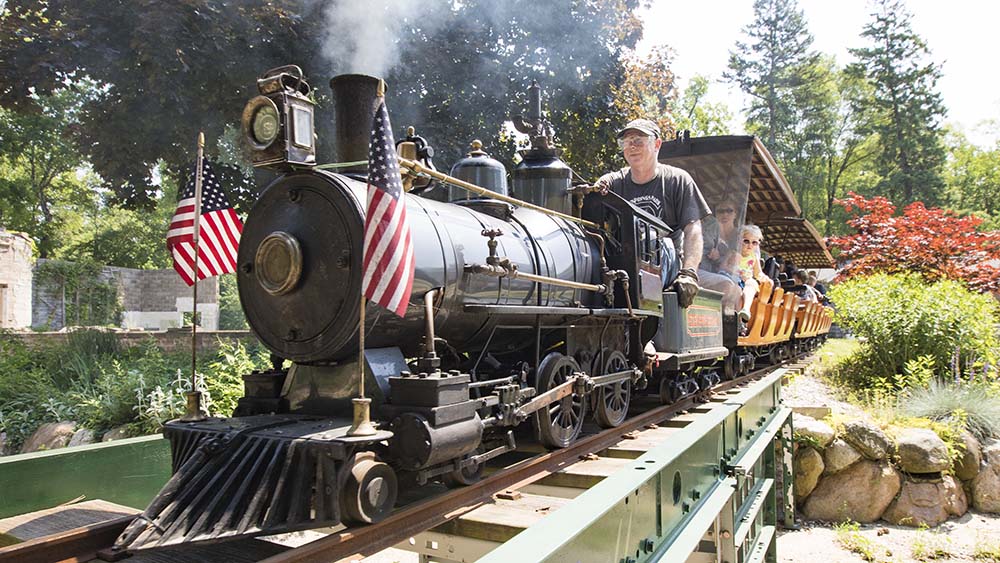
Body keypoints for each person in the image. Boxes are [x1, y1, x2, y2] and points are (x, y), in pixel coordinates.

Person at [596, 119, 710, 308]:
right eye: (626, 142)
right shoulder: (616, 182)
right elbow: (601, 188)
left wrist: (689, 273)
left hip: (666, 260)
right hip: (624, 260)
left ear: (657, 144)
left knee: (651, 239)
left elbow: (693, 230)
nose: (632, 147)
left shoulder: (677, 180)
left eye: (638, 140)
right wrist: (598, 186)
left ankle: (640, 310)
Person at [736, 224, 769, 324]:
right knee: (737, 291)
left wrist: (765, 278)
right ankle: (736, 321)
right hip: (734, 280)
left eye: (754, 243)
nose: (750, 245)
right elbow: (724, 267)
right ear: (739, 240)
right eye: (746, 241)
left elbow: (758, 273)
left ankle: (746, 309)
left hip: (746, 281)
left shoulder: (753, 257)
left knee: (752, 283)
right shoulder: (734, 253)